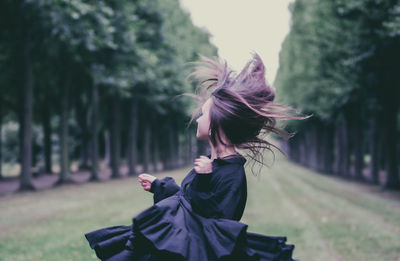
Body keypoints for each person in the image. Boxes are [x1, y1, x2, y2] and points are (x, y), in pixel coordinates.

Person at [84, 53, 310, 261]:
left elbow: (218, 219)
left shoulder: (232, 173)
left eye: (204, 115)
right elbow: (186, 200)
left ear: (217, 123)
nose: (199, 119)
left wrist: (203, 180)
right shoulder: (211, 163)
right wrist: (159, 186)